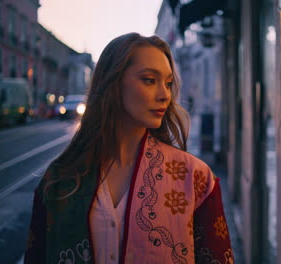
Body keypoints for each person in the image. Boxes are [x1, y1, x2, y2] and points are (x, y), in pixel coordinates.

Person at [24, 33, 234, 264]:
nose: (165, 95)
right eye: (149, 80)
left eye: (168, 83)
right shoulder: (60, 178)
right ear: (113, 83)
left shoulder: (195, 178)